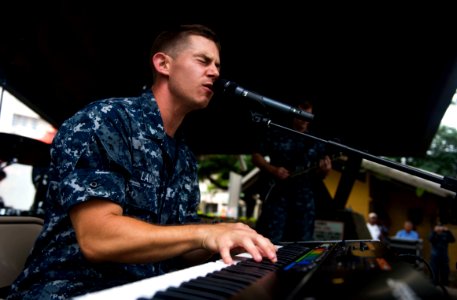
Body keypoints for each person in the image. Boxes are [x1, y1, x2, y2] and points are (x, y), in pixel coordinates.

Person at [7, 24, 277, 300]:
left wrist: (226, 241)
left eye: (217, 65)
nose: (215, 72)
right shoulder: (107, 119)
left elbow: (183, 247)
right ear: (163, 64)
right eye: (203, 61)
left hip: (146, 288)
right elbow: (97, 238)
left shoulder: (183, 155)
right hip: (71, 289)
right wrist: (205, 233)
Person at [251, 100, 332, 243]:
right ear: (293, 114)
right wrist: (273, 169)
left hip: (304, 200)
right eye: (301, 114)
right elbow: (256, 156)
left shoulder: (317, 140)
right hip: (277, 196)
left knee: (302, 243)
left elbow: (321, 175)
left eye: (308, 115)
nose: (304, 119)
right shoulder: (276, 132)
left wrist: (325, 170)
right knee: (270, 240)